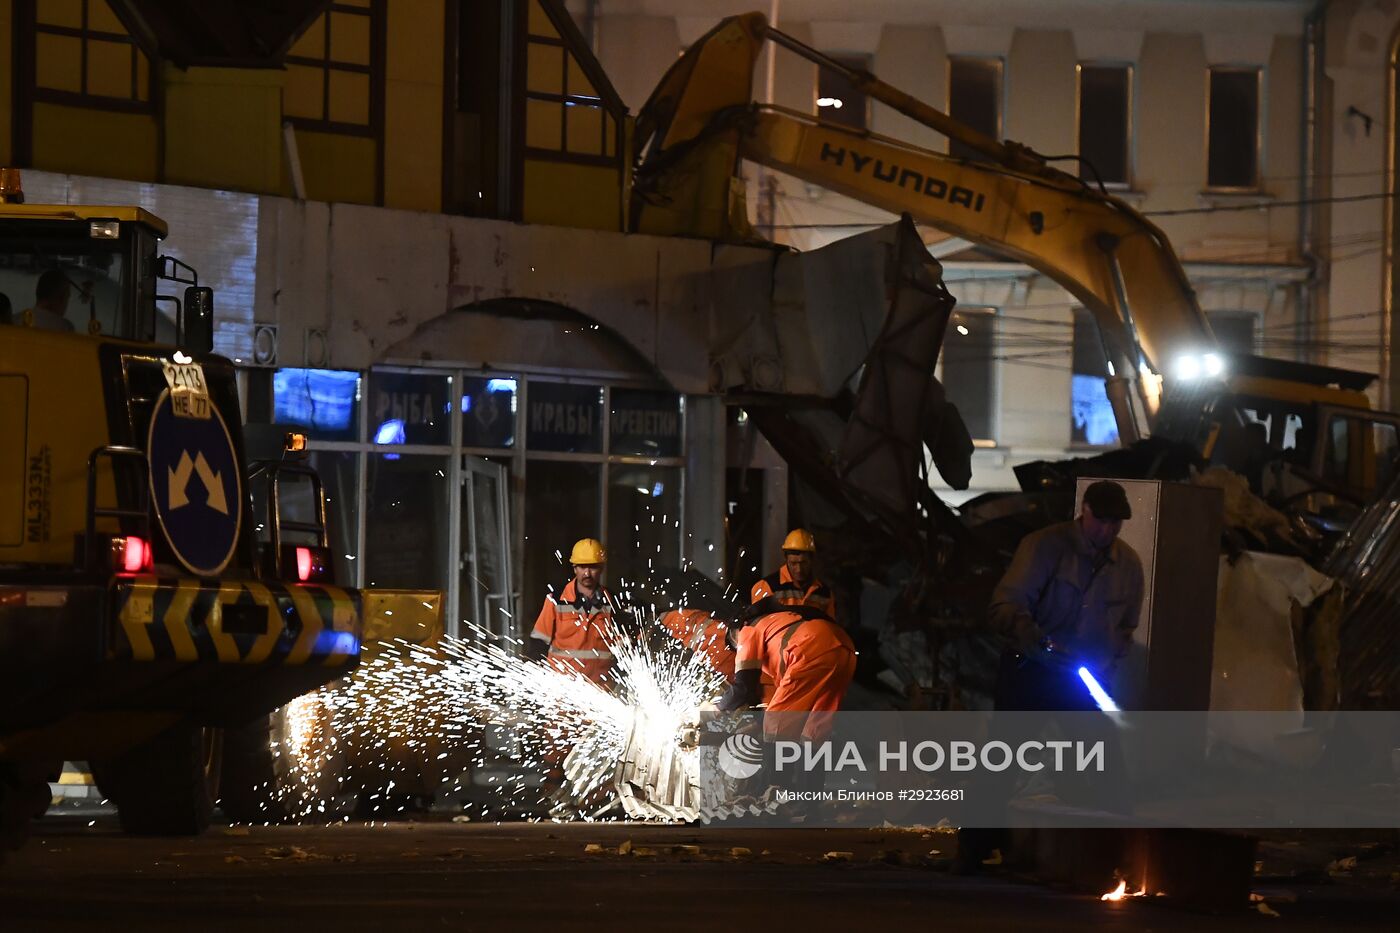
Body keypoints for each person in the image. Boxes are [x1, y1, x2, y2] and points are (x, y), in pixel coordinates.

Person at [987, 479, 1144, 707]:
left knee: (1099, 743)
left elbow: (1126, 626)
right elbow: (1005, 605)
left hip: (1084, 680)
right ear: (1084, 509)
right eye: (1100, 520)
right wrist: (1036, 639)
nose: (1107, 530)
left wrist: (1108, 661)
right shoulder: (1044, 547)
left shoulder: (1128, 564)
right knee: (1015, 742)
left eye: (1115, 522)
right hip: (1031, 672)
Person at [716, 598, 856, 745]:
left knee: (775, 730)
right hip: (846, 650)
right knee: (813, 730)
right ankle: (809, 764)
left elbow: (743, 688)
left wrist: (714, 710)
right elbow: (787, 701)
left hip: (810, 648)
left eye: (734, 642)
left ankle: (777, 766)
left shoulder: (748, 629)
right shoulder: (778, 626)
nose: (739, 649)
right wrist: (757, 726)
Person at [527, 538, 617, 685]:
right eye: (582, 567)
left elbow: (623, 649)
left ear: (601, 568)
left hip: (600, 693)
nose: (587, 573)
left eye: (593, 567)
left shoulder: (613, 603)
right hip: (562, 692)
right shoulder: (556, 600)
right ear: (574, 568)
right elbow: (538, 643)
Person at [750, 528, 837, 621]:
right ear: (786, 559)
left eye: (803, 563)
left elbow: (830, 627)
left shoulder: (825, 593)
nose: (799, 569)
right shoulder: (767, 587)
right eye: (793, 563)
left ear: (811, 560)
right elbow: (758, 625)